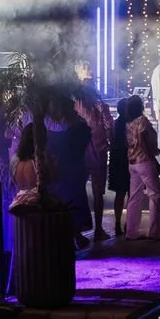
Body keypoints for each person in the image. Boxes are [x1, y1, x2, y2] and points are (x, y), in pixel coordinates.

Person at [43, 97, 94, 249]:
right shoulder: (77, 126)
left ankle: (69, 235)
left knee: (65, 201)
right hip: (73, 168)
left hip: (63, 169)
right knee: (74, 201)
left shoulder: (54, 128)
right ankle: (74, 235)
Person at [73, 72, 114, 242]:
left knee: (77, 190)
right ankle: (98, 229)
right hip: (99, 150)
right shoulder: (99, 105)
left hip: (80, 150)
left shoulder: (75, 105)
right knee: (98, 191)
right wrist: (111, 141)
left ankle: (77, 231)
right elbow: (109, 125)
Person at [124, 97, 160, 239]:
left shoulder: (128, 123)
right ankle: (154, 231)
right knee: (155, 195)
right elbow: (142, 141)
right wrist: (153, 158)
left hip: (132, 162)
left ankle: (131, 231)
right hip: (144, 161)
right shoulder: (142, 121)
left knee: (134, 196)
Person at [108, 97, 136, 237]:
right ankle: (128, 224)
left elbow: (111, 140)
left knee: (120, 194)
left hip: (116, 159)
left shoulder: (114, 124)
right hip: (128, 159)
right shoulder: (130, 124)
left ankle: (118, 223)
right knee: (132, 193)